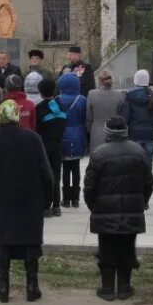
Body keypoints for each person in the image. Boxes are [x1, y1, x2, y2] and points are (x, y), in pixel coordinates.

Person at [0, 100, 52, 302]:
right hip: (31, 200)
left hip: (2, 200)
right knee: (30, 242)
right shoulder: (33, 139)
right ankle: (32, 286)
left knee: (3, 242)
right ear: (17, 117)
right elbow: (46, 173)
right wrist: (47, 200)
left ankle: (3, 288)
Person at [84, 116, 153, 300]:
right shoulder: (138, 152)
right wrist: (142, 202)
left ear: (107, 132)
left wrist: (94, 207)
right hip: (132, 210)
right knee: (127, 248)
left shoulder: (99, 154)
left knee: (106, 249)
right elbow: (148, 182)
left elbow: (89, 186)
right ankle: (124, 287)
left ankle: (107, 289)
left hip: (105, 212)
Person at [120, 69, 153, 171]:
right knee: (148, 165)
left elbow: (124, 118)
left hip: (134, 135)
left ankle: (136, 186)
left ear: (135, 81)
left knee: (134, 166)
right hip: (150, 135)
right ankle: (147, 185)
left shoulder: (128, 97)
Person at [35, 78, 66, 217]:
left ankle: (46, 206)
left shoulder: (40, 107)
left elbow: (37, 128)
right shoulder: (61, 105)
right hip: (58, 143)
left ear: (40, 93)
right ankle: (57, 205)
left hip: (44, 144)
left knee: (45, 175)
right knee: (57, 174)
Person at [57, 72, 87, 207]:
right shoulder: (82, 99)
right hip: (78, 135)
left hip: (62, 135)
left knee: (65, 169)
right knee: (76, 169)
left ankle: (66, 198)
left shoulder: (57, 99)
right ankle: (76, 199)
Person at [85, 69, 120, 154]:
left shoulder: (91, 94)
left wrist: (89, 129)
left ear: (99, 80)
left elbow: (89, 116)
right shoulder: (119, 95)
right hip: (113, 133)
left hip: (96, 132)